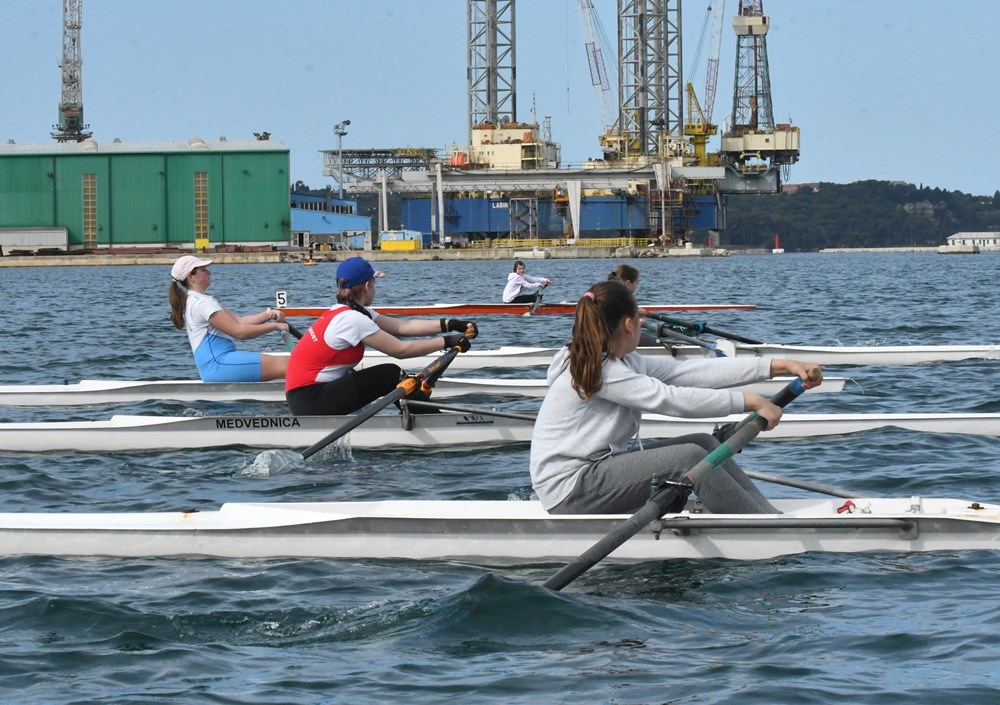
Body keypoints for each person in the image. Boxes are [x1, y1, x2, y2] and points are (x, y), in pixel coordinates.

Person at [529, 280, 822, 516]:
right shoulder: (601, 369)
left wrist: (778, 366)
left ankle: (764, 514)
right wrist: (752, 401)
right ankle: (761, 527)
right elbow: (670, 399)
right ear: (629, 324)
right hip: (570, 488)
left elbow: (688, 373)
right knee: (689, 458)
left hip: (594, 473)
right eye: (639, 318)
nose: (643, 323)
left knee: (703, 444)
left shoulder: (622, 360)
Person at [285, 256, 479, 416]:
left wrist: (451, 325)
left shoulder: (346, 312)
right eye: (375, 283)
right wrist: (447, 342)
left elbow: (403, 327)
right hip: (310, 400)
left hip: (306, 397)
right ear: (367, 285)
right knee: (390, 374)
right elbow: (401, 351)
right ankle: (433, 422)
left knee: (393, 377)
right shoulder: (352, 319)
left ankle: (424, 416)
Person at [169, 255, 290, 382]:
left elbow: (239, 321)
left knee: (292, 364)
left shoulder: (195, 300)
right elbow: (239, 332)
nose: (209, 272)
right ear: (191, 277)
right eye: (203, 270)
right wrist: (274, 326)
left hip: (216, 365)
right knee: (290, 365)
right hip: (218, 365)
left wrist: (268, 315)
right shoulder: (202, 303)